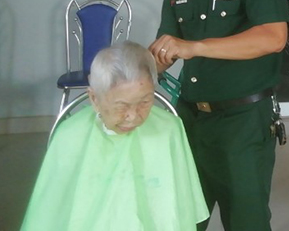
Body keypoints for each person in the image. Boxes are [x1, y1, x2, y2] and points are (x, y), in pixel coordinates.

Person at [127, 0, 289, 231]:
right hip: (189, 119)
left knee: (247, 220)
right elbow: (167, 47)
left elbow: (273, 37)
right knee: (182, 216)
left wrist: (195, 47)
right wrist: (135, 75)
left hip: (243, 122)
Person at [21, 42, 209, 231]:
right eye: (122, 106)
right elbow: (49, 214)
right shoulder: (70, 136)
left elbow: (182, 210)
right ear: (94, 98)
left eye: (145, 102)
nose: (133, 116)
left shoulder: (169, 129)